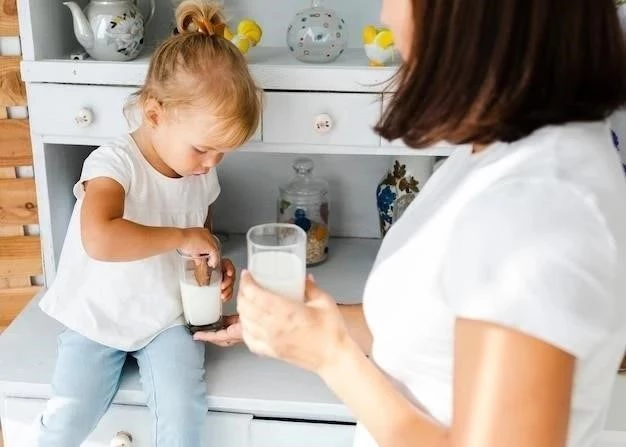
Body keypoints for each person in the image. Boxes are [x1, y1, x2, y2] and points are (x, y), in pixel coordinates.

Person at [196, 0, 626, 446]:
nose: (385, 16)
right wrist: (303, 324)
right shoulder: (493, 155)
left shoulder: (536, 208)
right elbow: (425, 322)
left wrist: (330, 357)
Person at [34, 1, 260, 445]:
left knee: (183, 410)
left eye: (222, 153)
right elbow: (100, 239)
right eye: (202, 149)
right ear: (155, 114)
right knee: (68, 416)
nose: (211, 163)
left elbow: (196, 242)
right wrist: (182, 237)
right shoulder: (114, 164)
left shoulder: (200, 173)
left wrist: (211, 268)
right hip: (97, 315)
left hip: (165, 319)